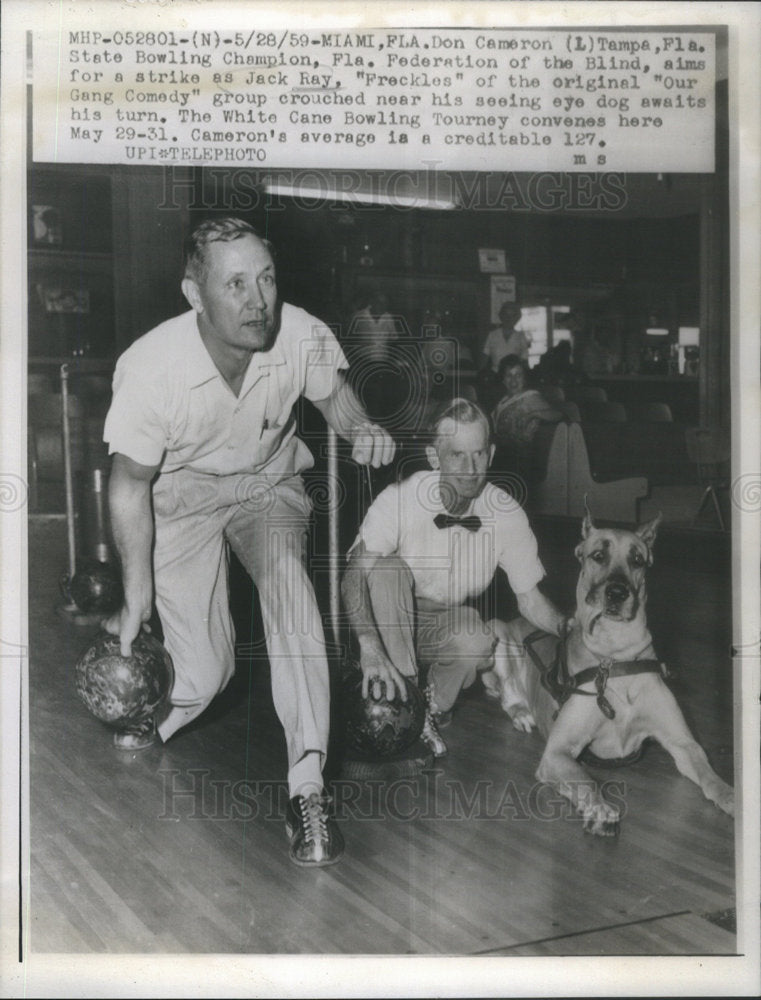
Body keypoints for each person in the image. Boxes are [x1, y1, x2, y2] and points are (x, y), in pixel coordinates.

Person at [102, 217, 395, 868]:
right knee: (207, 674)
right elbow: (128, 486)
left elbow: (335, 399)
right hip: (180, 496)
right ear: (193, 293)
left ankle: (307, 785)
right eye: (234, 284)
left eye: (265, 278)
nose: (256, 299)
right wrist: (135, 595)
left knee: (290, 588)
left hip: (265, 486)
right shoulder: (150, 370)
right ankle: (166, 711)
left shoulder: (300, 335)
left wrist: (359, 429)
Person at [341, 398, 565, 758]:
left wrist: (570, 628)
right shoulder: (400, 498)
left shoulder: (505, 513)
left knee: (478, 638)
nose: (469, 468)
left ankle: (430, 709)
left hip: (438, 622)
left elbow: (530, 599)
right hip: (384, 621)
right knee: (386, 568)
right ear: (434, 458)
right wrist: (368, 646)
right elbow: (353, 578)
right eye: (457, 455)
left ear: (491, 455)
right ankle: (406, 703)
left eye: (478, 454)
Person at [492, 354, 563, 453]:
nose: (514, 381)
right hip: (502, 452)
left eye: (518, 375)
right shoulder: (503, 400)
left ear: (524, 378)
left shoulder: (530, 397)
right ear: (503, 379)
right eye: (509, 375)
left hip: (520, 456)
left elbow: (558, 415)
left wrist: (534, 414)